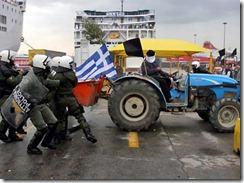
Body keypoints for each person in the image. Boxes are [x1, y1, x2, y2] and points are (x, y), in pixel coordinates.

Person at [53, 56, 97, 143]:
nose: (71, 65)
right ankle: (88, 134)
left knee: (60, 118)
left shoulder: (56, 75)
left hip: (59, 99)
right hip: (71, 99)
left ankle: (58, 138)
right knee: (80, 117)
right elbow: (75, 84)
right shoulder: (71, 74)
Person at [23, 54, 60, 154]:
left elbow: (45, 82)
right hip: (33, 106)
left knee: (53, 123)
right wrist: (30, 98)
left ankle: (46, 142)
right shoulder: (30, 77)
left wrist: (58, 82)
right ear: (41, 64)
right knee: (42, 128)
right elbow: (22, 90)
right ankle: (31, 147)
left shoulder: (41, 74)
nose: (48, 66)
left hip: (42, 103)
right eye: (47, 64)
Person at [0, 50, 24, 142]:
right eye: (12, 58)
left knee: (15, 114)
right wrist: (20, 74)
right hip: (4, 95)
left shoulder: (7, 67)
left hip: (10, 94)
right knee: (8, 115)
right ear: (7, 58)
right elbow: (12, 82)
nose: (13, 60)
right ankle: (1, 132)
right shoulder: (3, 69)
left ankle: (12, 134)